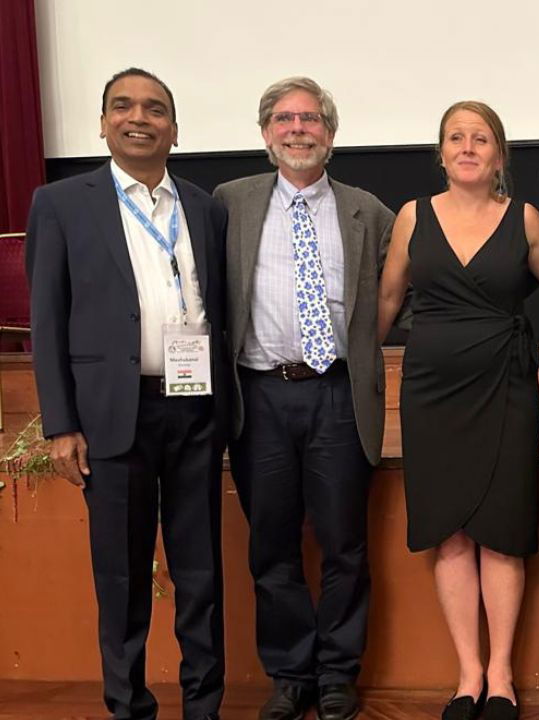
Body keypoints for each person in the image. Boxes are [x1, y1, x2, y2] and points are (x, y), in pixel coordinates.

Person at [25, 67, 230, 720]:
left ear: (175, 128)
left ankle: (205, 707)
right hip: (111, 416)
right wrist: (60, 423)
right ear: (104, 122)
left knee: (201, 577)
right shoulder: (61, 204)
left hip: (195, 411)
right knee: (120, 578)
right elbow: (46, 320)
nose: (138, 117)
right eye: (123, 106)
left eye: (154, 108)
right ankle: (129, 707)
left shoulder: (204, 206)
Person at [213, 76, 395, 720]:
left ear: (331, 134)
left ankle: (339, 672)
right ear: (266, 134)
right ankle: (291, 675)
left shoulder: (368, 211)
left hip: (338, 396)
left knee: (346, 542)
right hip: (259, 396)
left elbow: (394, 299)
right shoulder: (228, 204)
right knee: (272, 543)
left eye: (311, 119)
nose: (298, 129)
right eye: (285, 119)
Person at [376, 100, 539, 720]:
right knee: (449, 533)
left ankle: (502, 674)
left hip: (505, 390)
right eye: (457, 137)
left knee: (502, 534)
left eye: (481, 138)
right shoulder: (410, 217)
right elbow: (388, 301)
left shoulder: (525, 219)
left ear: (499, 154)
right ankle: (467, 675)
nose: (468, 147)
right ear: (441, 152)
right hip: (430, 394)